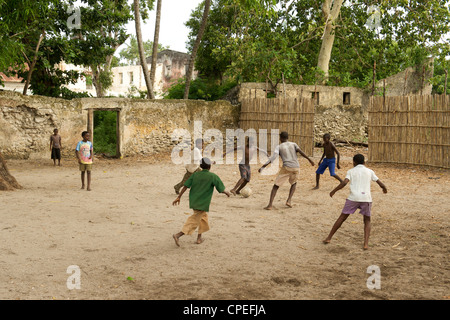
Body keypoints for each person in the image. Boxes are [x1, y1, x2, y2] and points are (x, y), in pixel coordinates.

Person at [323, 154, 387, 250]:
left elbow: (344, 182)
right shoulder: (370, 171)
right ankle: (365, 244)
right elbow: (379, 182)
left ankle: (329, 238)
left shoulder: (351, 171)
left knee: (342, 218)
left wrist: (334, 191)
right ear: (364, 162)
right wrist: (384, 188)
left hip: (353, 198)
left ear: (354, 162)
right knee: (367, 220)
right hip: (366, 198)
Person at [172, 158, 231, 246]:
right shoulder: (212, 176)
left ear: (200, 166)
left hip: (194, 200)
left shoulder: (195, 175)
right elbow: (220, 188)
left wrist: (179, 197)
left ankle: (199, 238)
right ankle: (178, 235)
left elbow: (185, 186)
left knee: (203, 218)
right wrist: (226, 192)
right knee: (194, 220)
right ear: (209, 166)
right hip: (203, 202)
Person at [258, 131, 314, 210]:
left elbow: (273, 158)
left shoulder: (279, 146)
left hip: (286, 167)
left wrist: (263, 167)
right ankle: (289, 200)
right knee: (294, 183)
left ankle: (270, 205)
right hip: (296, 167)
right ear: (288, 138)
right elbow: (301, 152)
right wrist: (309, 160)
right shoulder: (294, 144)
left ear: (280, 138)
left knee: (276, 185)